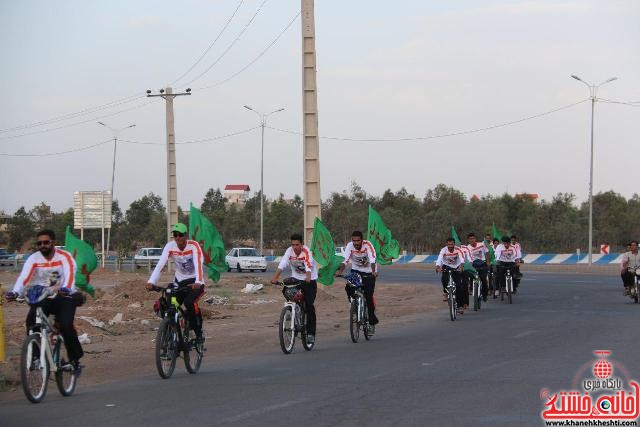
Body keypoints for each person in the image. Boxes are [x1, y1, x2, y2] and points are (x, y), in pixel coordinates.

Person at [4, 230, 84, 375]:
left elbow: (70, 274)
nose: (42, 245)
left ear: (53, 242)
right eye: (39, 243)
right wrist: (15, 292)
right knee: (31, 321)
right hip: (44, 296)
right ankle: (35, 357)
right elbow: (24, 278)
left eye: (46, 242)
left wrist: (66, 288)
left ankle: (74, 360)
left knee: (66, 326)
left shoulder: (65, 256)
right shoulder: (34, 258)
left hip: (64, 295)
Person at [146, 223, 206, 344]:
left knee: (189, 302)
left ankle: (197, 332)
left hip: (195, 281)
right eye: (175, 235)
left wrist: (199, 281)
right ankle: (170, 333)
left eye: (180, 235)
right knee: (168, 305)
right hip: (179, 282)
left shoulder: (193, 246)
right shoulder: (170, 246)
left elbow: (199, 263)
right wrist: (151, 281)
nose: (177, 238)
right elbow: (161, 264)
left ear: (186, 236)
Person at [271, 233, 318, 344]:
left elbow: (308, 264)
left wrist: (308, 276)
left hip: (309, 280)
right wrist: (275, 277)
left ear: (301, 244)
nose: (295, 247)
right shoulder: (289, 251)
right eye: (293, 244)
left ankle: (310, 333)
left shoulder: (306, 252)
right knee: (288, 292)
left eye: (297, 244)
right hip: (296, 280)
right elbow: (283, 263)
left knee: (309, 306)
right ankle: (292, 313)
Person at [336, 230, 379, 334]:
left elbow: (373, 259)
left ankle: (371, 323)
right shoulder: (350, 246)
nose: (356, 243)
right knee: (348, 287)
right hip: (356, 271)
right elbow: (345, 260)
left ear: (362, 240)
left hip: (369, 273)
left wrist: (373, 271)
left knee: (368, 297)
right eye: (354, 240)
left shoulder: (368, 245)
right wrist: (340, 271)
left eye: (358, 241)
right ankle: (354, 306)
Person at [435, 237, 465, 314]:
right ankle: (445, 292)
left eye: (452, 244)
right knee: (444, 279)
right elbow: (439, 259)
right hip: (446, 266)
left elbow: (462, 259)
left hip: (456, 267)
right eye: (449, 244)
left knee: (459, 287)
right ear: (446, 244)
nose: (450, 246)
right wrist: (438, 267)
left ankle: (460, 306)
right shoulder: (443, 250)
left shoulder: (458, 249)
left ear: (454, 244)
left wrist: (461, 267)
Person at [466, 233, 491, 302]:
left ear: (475, 239)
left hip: (482, 263)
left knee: (483, 279)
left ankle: (485, 295)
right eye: (470, 239)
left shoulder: (481, 245)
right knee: (470, 275)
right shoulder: (467, 248)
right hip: (473, 264)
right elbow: (467, 257)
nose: (472, 240)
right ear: (468, 240)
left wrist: (488, 262)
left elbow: (487, 252)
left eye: (473, 238)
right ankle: (471, 288)